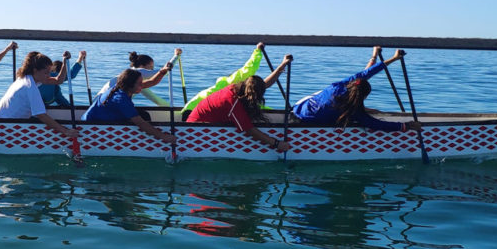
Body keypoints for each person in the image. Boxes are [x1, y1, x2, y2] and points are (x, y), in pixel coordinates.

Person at [292, 47, 423, 132]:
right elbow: (375, 124)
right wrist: (406, 126)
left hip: (299, 107)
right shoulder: (354, 111)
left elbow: (365, 74)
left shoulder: (338, 86)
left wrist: (391, 58)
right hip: (311, 121)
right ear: (363, 96)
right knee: (350, 116)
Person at [187, 75, 290, 153]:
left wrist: (281, 67)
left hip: (205, 122)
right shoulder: (232, 102)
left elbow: (265, 84)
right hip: (196, 131)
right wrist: (276, 143)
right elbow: (249, 130)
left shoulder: (238, 88)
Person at [181, 42, 287, 116]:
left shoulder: (239, 88)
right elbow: (250, 68)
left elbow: (262, 86)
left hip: (189, 109)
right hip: (192, 113)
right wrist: (258, 51)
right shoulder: (232, 86)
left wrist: (282, 65)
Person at [0, 52, 79, 140]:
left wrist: (65, 62)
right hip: (2, 128)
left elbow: (58, 80)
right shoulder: (29, 86)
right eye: (46, 73)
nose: (48, 75)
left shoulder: (26, 77)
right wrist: (65, 131)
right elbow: (42, 116)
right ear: (35, 70)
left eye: (49, 72)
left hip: (1, 122)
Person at [82, 69, 176, 146]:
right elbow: (140, 123)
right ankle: (148, 142)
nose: (142, 85)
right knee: (143, 118)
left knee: (144, 114)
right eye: (139, 83)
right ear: (130, 84)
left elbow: (151, 82)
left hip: (98, 120)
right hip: (91, 129)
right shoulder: (121, 99)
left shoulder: (121, 86)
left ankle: (148, 138)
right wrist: (164, 137)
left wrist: (162, 72)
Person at [95, 50, 181, 110]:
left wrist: (175, 110)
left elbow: (156, 99)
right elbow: (165, 71)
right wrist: (176, 56)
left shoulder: (134, 83)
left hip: (96, 104)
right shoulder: (137, 72)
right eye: (150, 67)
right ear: (141, 66)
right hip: (104, 105)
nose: (151, 70)